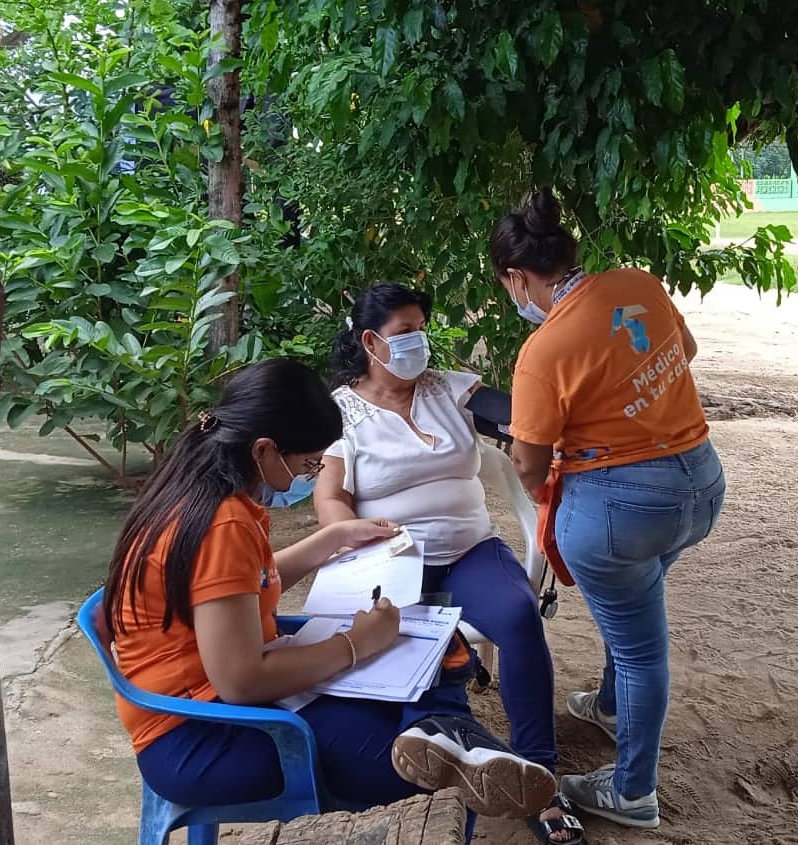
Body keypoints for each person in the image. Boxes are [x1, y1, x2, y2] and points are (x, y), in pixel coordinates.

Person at [103, 358, 558, 835]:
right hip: (202, 736)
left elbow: (236, 588)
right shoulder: (224, 524)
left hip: (219, 705)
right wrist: (356, 644)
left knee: (433, 655)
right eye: (307, 464)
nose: (309, 474)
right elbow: (240, 681)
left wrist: (332, 539)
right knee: (427, 764)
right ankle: (458, 746)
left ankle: (451, 738)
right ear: (264, 450)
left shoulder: (194, 490)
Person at [490, 188, 727, 830]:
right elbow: (686, 352)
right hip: (701, 485)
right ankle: (610, 704)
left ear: (518, 277)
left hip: (623, 513)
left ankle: (633, 791)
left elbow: (530, 465)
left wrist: (556, 483)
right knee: (635, 614)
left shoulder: (544, 351)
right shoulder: (637, 284)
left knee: (643, 649)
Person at [314, 286, 583, 844]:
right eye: (404, 332)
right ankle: (443, 757)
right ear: (370, 342)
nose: (418, 343)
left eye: (421, 329)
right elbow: (330, 496)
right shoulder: (344, 410)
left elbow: (516, 416)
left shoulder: (450, 389)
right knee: (409, 645)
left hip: (470, 549)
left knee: (517, 616)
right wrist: (352, 538)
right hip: (391, 558)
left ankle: (539, 773)